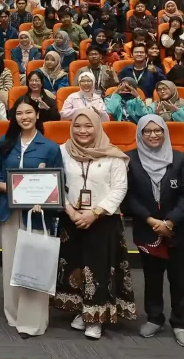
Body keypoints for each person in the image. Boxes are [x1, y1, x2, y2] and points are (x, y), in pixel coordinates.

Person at [53, 108, 136, 340]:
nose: (82, 131)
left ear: (97, 127)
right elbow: (55, 182)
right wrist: (71, 211)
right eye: (77, 125)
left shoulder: (113, 155)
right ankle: (83, 310)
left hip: (103, 221)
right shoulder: (62, 152)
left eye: (88, 126)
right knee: (77, 267)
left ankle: (96, 318)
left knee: (99, 271)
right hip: (72, 220)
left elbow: (120, 188)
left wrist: (94, 213)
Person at [0, 97, 63, 337]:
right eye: (20, 113)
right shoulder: (5, 142)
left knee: (34, 263)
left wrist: (46, 199)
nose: (25, 117)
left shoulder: (50, 147)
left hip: (37, 214)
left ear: (37, 115)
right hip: (10, 213)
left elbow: (59, 182)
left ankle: (32, 321)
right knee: (11, 262)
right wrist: (1, 185)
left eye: (29, 112)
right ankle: (13, 314)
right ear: (14, 118)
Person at [124, 115, 184, 347]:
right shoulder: (130, 160)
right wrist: (152, 221)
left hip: (179, 231)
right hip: (148, 229)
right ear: (140, 134)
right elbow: (128, 197)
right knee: (152, 277)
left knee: (179, 278)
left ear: (165, 132)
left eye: (158, 131)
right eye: (147, 131)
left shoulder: (180, 159)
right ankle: (154, 318)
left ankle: (179, 323)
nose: (153, 135)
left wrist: (170, 222)